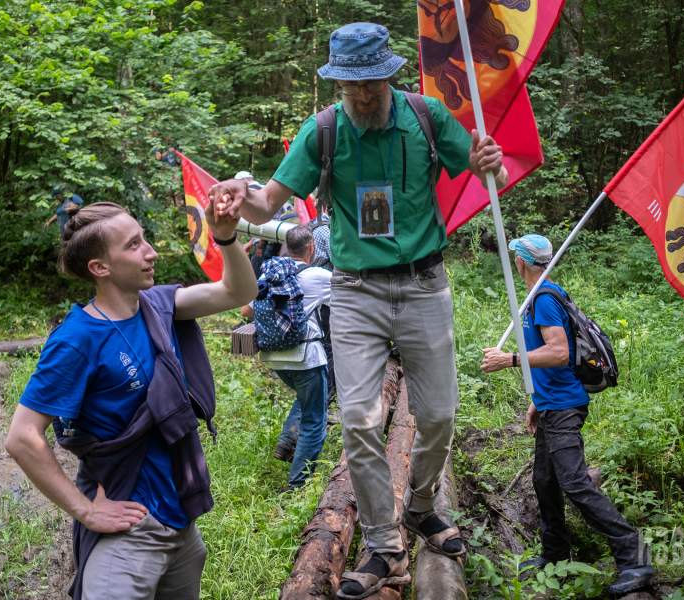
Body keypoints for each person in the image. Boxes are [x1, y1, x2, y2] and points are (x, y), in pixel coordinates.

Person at [211, 22, 508, 598]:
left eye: (372, 83)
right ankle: (382, 545)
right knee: (359, 421)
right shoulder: (322, 131)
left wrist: (487, 161)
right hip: (354, 291)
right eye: (352, 86)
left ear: (390, 75)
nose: (364, 95)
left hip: (424, 284)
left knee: (439, 413)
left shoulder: (425, 117)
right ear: (337, 82)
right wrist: (235, 194)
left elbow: (482, 168)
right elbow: (266, 201)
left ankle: (422, 505)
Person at [5, 200, 257, 599]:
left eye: (144, 240)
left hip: (180, 521)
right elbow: (22, 437)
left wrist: (224, 236)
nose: (150, 251)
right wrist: (85, 511)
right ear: (100, 268)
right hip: (129, 529)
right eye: (134, 244)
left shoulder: (158, 306)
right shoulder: (76, 340)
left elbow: (238, 291)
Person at [480, 234, 655, 596]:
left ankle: (634, 556)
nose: (515, 261)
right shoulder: (542, 293)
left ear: (522, 263)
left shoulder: (543, 298)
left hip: (564, 407)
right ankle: (555, 552)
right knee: (544, 480)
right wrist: (536, 401)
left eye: (516, 257)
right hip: (551, 403)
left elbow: (559, 352)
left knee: (574, 483)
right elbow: (559, 357)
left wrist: (508, 360)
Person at [244, 226, 332, 489]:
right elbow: (352, 301)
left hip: (274, 357)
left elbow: (246, 311)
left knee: (307, 401)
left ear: (286, 247)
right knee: (315, 420)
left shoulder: (269, 272)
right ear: (311, 248)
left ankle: (287, 441)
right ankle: (297, 484)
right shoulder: (318, 275)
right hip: (306, 356)